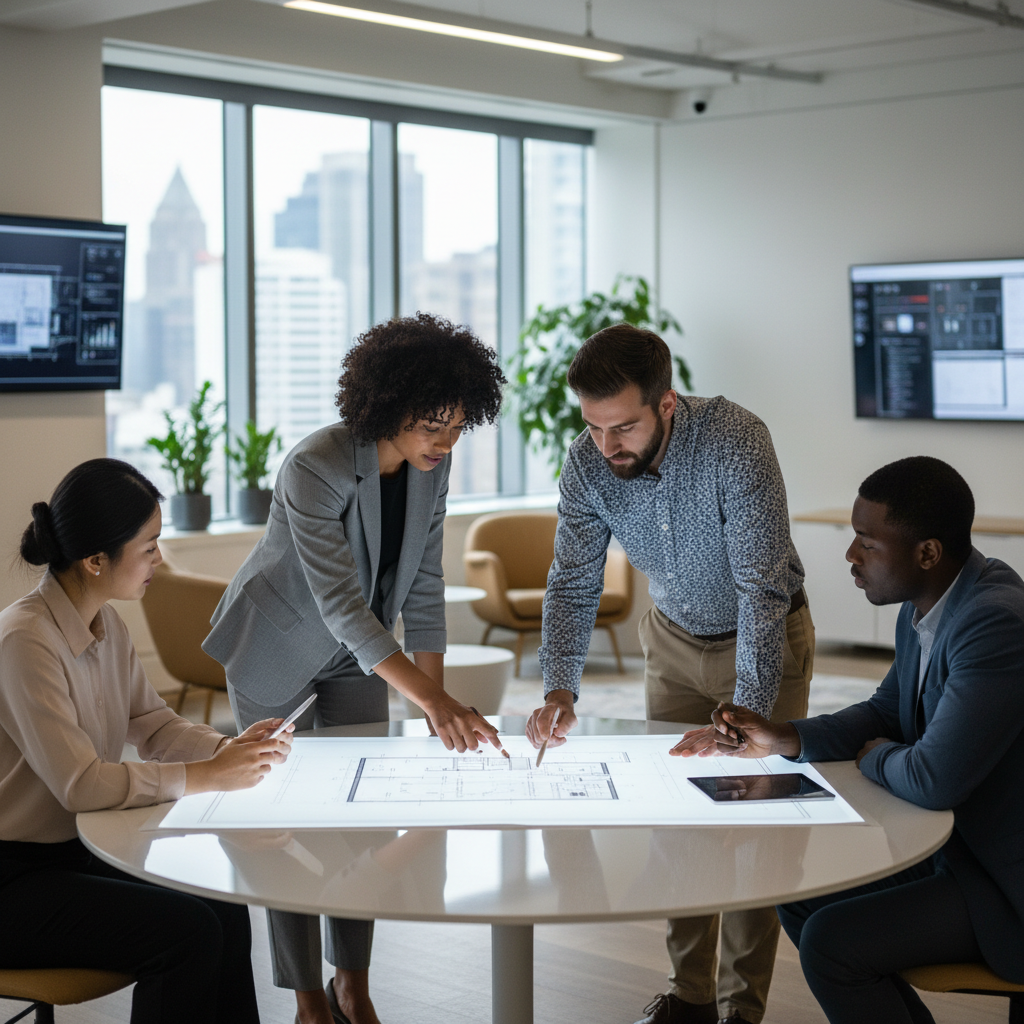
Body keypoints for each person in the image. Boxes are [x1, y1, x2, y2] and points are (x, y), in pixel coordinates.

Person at [203, 312, 507, 1024]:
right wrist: (432, 702)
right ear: (388, 407)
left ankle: (353, 986)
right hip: (275, 643)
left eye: (457, 426)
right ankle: (309, 999)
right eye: (433, 425)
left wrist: (438, 708)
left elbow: (424, 583)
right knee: (284, 823)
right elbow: (340, 603)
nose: (446, 441)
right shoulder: (316, 464)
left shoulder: (435, 466)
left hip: (362, 651)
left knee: (361, 817)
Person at [525, 323, 815, 1024]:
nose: (606, 446)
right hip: (673, 643)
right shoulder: (587, 462)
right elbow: (571, 582)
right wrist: (559, 687)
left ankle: (742, 1007)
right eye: (593, 427)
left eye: (622, 427)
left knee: (754, 819)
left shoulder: (737, 441)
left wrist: (743, 723)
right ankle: (690, 998)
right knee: (678, 819)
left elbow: (761, 590)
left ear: (667, 404)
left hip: (765, 634)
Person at [694, 456, 1024, 1024]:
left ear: (927, 552)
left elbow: (933, 777)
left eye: (867, 542)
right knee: (798, 894)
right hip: (958, 851)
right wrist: (784, 737)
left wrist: (877, 756)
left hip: (1003, 881)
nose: (850, 555)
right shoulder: (927, 603)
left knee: (831, 942)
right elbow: (888, 710)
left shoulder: (994, 622)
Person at [0, 458, 294, 1024]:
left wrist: (226, 751)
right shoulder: (23, 640)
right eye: (150, 546)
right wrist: (208, 776)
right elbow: (81, 785)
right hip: (13, 879)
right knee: (184, 935)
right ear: (94, 561)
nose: (159, 559)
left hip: (73, 856)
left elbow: (155, 725)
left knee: (222, 907)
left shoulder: (106, 624)